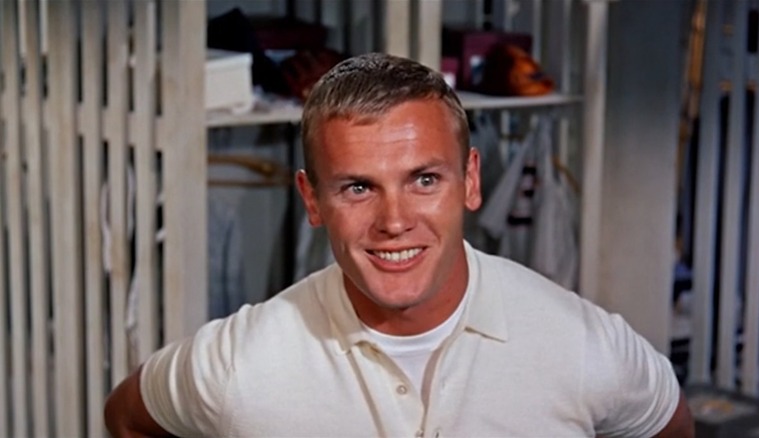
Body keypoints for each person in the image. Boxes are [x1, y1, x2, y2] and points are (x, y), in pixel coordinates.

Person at [105, 52, 694, 437]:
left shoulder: (580, 344)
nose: (394, 221)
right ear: (313, 201)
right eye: (358, 187)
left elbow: (669, 425)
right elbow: (128, 418)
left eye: (424, 180)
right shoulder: (241, 363)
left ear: (469, 180)